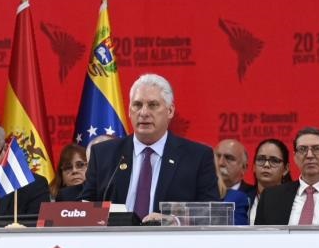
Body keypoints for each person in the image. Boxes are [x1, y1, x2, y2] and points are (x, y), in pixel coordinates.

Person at [80, 73, 219, 220]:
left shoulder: (197, 157)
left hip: (170, 241)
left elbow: (212, 213)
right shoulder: (103, 154)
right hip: (114, 240)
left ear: (170, 111)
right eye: (137, 105)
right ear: (129, 110)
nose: (144, 113)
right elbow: (84, 209)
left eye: (153, 105)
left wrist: (175, 221)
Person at [248, 138, 292, 225]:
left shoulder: (295, 199)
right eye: (261, 159)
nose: (266, 165)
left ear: (286, 169)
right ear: (253, 166)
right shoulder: (244, 199)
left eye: (274, 160)